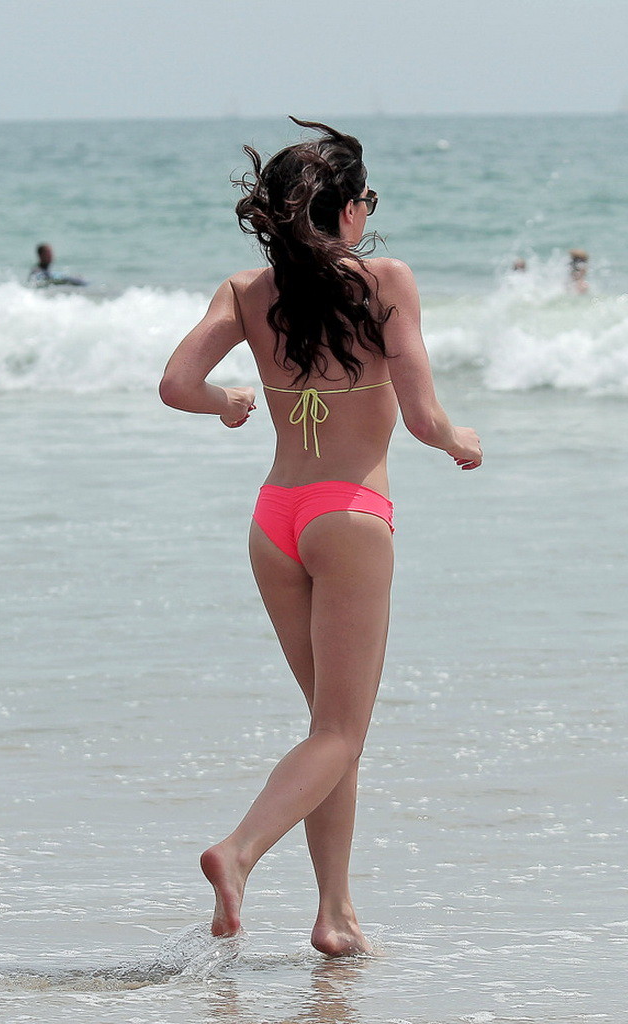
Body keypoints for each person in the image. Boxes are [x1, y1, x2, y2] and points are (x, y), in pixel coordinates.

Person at [158, 118, 482, 957]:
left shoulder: (243, 290)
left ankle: (335, 916)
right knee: (338, 733)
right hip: (348, 520)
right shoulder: (385, 280)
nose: (369, 214)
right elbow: (420, 417)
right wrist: (459, 441)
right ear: (345, 211)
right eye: (366, 200)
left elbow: (175, 384)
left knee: (328, 731)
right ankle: (238, 851)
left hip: (275, 519)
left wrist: (227, 400)